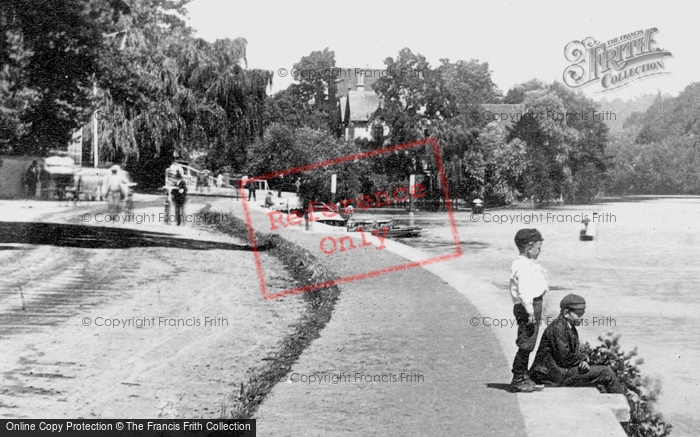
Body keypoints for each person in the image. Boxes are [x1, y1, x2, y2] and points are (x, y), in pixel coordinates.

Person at [529, 294, 625, 394]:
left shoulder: (568, 326)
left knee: (600, 372)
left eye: (582, 314)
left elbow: (572, 352)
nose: (581, 318)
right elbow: (565, 358)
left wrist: (583, 361)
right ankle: (625, 405)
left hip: (557, 371)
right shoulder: (558, 328)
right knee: (606, 373)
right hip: (550, 375)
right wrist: (583, 359)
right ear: (566, 313)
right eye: (578, 315)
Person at [509, 228, 548, 392]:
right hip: (528, 307)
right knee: (526, 343)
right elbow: (524, 291)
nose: (540, 251)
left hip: (533, 305)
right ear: (529, 247)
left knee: (529, 342)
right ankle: (518, 378)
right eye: (538, 248)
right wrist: (530, 312)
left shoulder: (526, 264)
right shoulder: (524, 266)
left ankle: (524, 375)